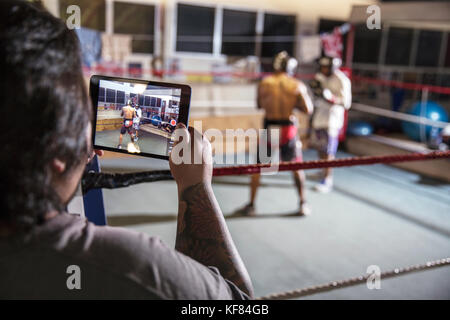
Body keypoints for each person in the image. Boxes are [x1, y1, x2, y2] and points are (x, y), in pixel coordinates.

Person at [0, 0, 253, 299]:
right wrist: (195, 186)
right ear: (55, 149)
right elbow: (238, 301)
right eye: (79, 110)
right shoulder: (131, 267)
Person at [238, 51, 313, 216]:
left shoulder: (265, 83)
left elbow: (259, 104)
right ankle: (303, 204)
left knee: (259, 168)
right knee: (296, 166)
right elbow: (308, 109)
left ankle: (251, 205)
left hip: (270, 126)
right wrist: (293, 104)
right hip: (288, 128)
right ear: (290, 67)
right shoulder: (296, 85)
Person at [309, 56, 352, 193]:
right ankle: (322, 171)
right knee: (320, 148)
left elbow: (346, 103)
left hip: (332, 121)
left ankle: (327, 180)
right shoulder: (319, 76)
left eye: (326, 67)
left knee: (329, 151)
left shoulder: (342, 80)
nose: (324, 69)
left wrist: (331, 98)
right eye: (322, 67)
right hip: (319, 117)